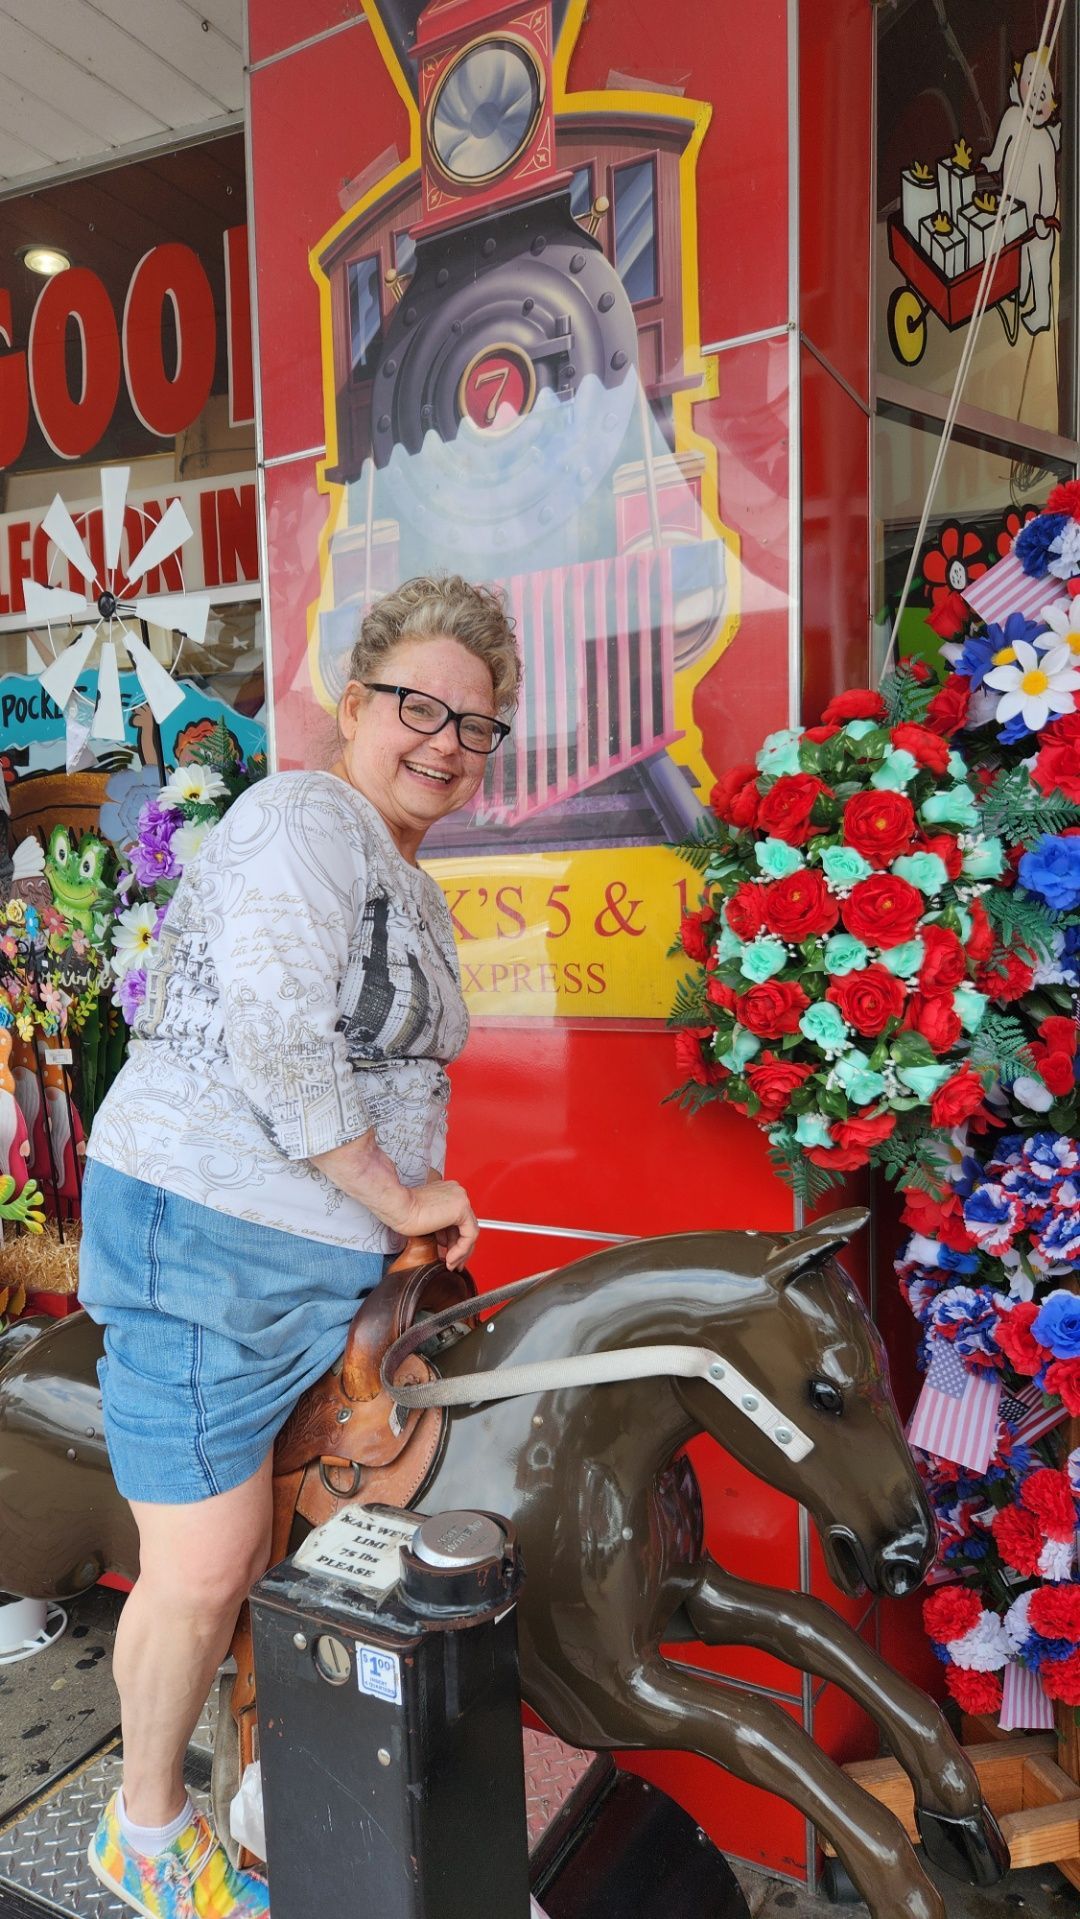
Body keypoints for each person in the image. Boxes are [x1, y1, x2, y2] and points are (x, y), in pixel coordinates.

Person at [78, 575, 521, 1919]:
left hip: (315, 1253)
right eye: (418, 706)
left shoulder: (397, 866)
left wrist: (389, 1216)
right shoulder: (300, 818)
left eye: (476, 723)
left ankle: (299, 1794)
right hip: (208, 1234)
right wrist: (394, 1196)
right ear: (353, 700)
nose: (445, 740)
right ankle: (145, 1832)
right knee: (205, 1563)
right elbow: (278, 1035)